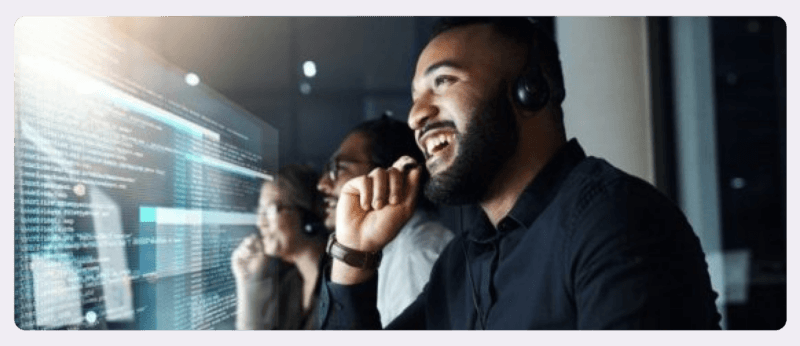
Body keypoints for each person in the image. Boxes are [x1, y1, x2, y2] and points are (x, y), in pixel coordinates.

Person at [317, 17, 722, 330]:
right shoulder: (459, 264)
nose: (416, 116)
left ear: (530, 91)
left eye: (442, 82)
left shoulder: (616, 220)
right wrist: (355, 255)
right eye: (414, 98)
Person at [316, 115, 454, 327]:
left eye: (338, 167)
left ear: (390, 172)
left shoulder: (415, 253)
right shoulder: (395, 248)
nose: (323, 184)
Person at [231, 164, 328, 330]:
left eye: (269, 210)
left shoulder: (340, 280)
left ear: (307, 215)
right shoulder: (291, 285)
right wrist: (246, 281)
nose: (260, 223)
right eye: (259, 212)